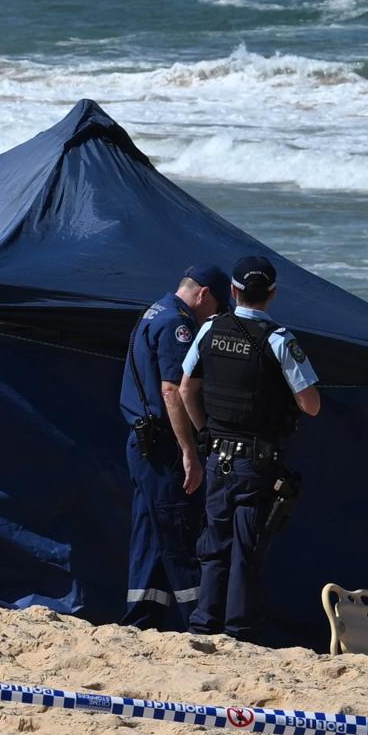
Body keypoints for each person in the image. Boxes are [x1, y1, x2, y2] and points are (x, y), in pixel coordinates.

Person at [177, 255, 321, 641]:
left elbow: (186, 388)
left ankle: (205, 624)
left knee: (214, 543)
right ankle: (239, 631)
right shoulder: (278, 340)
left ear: (233, 291)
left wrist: (205, 429)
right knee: (247, 549)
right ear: (272, 294)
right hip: (257, 462)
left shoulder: (209, 330)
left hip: (217, 454)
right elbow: (312, 405)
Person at [119, 264, 233, 629]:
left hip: (141, 443)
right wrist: (190, 451)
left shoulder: (153, 311)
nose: (212, 319)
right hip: (162, 446)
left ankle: (141, 617)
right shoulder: (177, 325)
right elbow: (172, 390)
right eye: (214, 310)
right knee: (180, 530)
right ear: (203, 295)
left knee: (150, 533)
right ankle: (201, 622)